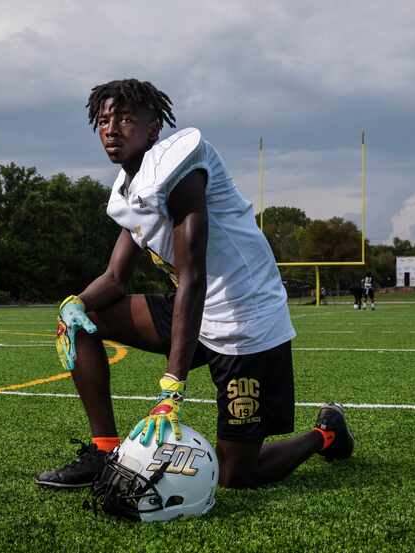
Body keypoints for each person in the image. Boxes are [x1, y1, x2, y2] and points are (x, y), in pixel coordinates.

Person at [36, 79, 354, 490]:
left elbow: (193, 277)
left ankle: (326, 432)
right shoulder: (127, 190)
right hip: (197, 312)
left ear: (154, 130)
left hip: (244, 317)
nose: (111, 129)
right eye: (103, 121)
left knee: (237, 474)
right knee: (84, 319)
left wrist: (172, 388)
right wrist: (72, 305)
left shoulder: (179, 164)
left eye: (126, 120)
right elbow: (116, 277)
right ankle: (103, 451)